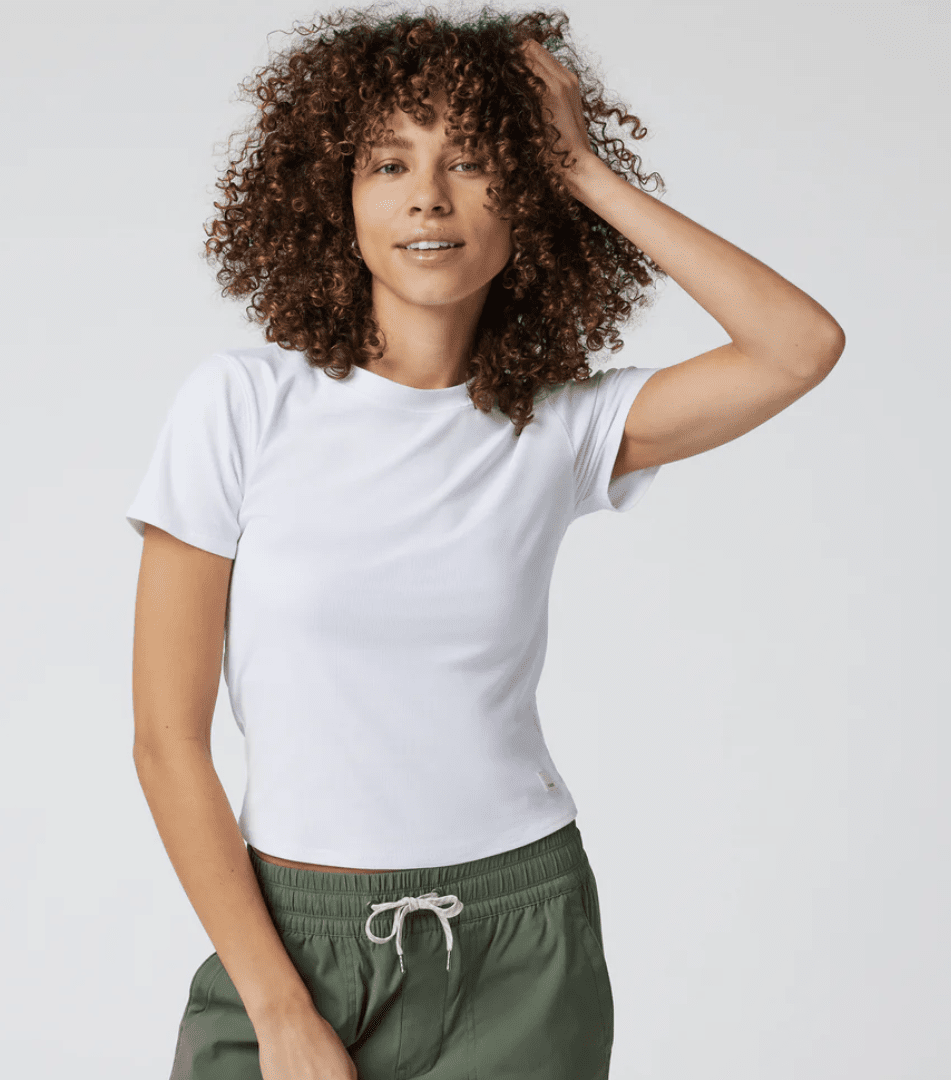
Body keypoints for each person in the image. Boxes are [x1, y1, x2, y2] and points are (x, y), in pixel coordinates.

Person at [126, 6, 845, 1079]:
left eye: (472, 161)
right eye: (389, 164)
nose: (429, 195)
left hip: (522, 942)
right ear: (332, 196)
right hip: (291, 938)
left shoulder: (559, 426)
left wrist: (587, 172)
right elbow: (165, 739)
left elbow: (799, 347)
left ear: (527, 196)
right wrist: (278, 1012)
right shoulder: (242, 406)